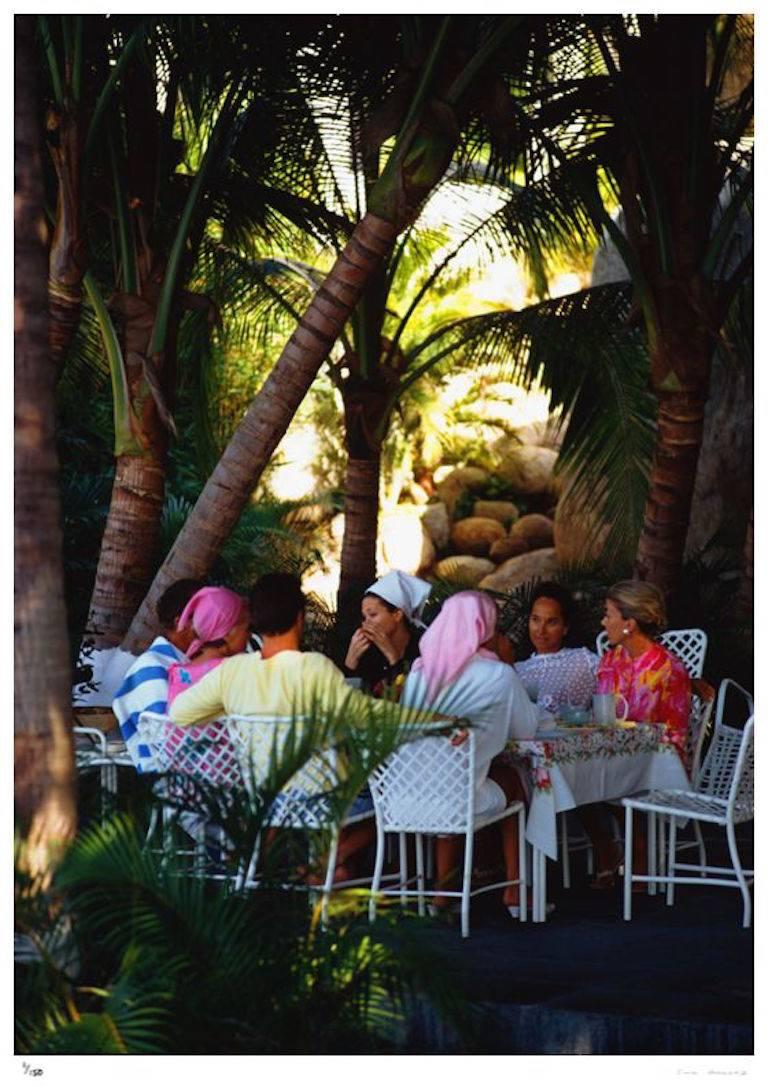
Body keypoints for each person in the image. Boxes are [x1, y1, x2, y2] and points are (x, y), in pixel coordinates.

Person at [169, 572, 436, 881]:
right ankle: (329, 861)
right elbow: (370, 715)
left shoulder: (233, 672)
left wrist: (233, 714)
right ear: (300, 617)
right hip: (320, 801)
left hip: (265, 799)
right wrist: (435, 719)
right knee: (387, 797)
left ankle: (317, 868)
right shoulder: (313, 668)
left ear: (255, 620)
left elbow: (180, 713)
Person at [401, 590, 540, 919]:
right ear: (485, 627)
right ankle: (515, 887)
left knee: (450, 777)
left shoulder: (419, 675)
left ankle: (442, 894)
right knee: (513, 780)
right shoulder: (498, 674)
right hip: (460, 798)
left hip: (407, 797)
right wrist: (508, 666)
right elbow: (526, 731)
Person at [581, 579, 692, 889]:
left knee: (602, 774)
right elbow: (602, 714)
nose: (604, 622)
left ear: (628, 623)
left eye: (609, 615)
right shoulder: (610, 660)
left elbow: (676, 734)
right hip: (615, 753)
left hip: (657, 762)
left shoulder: (667, 667)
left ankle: (638, 849)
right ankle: (607, 848)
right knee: (570, 775)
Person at [112, 578, 203, 769]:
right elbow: (169, 746)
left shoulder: (191, 664)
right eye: (207, 616)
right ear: (182, 623)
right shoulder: (151, 669)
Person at [513, 582, 599, 715]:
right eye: (536, 619)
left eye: (551, 622)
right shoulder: (517, 670)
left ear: (565, 628)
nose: (541, 630)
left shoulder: (584, 661)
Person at [342, 571, 431, 696]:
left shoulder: (424, 647)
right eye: (364, 617)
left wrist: (391, 654)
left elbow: (415, 696)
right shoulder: (368, 651)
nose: (367, 622)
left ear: (397, 615)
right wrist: (351, 660)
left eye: (373, 615)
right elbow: (346, 698)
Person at [167, 586, 251, 704]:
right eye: (248, 629)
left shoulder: (179, 671)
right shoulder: (232, 673)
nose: (250, 636)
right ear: (227, 633)